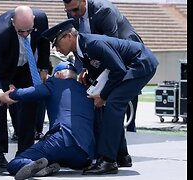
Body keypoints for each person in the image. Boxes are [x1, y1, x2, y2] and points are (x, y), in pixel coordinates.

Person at [41, 19, 159, 175]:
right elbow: (100, 67)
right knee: (111, 106)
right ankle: (121, 155)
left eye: (56, 43)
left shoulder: (93, 44)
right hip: (130, 65)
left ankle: (108, 161)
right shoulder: (81, 48)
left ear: (68, 36)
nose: (56, 48)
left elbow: (118, 70)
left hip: (140, 63)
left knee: (114, 103)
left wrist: (103, 95)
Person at [0, 6, 50, 167]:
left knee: (30, 101)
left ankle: (25, 151)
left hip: (23, 66)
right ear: (13, 22)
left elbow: (44, 41)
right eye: (20, 31)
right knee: (1, 105)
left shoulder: (41, 19)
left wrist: (43, 67)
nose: (25, 35)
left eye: (28, 31)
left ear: (34, 22)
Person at [0, 61, 95, 180]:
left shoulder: (54, 83)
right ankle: (48, 166)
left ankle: (32, 165)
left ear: (59, 74)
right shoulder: (87, 90)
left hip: (61, 139)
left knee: (14, 164)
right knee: (64, 158)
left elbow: (31, 92)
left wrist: (11, 94)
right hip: (84, 152)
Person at [62, 0, 143, 132]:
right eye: (68, 11)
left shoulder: (104, 11)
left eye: (75, 10)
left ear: (84, 1)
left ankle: (129, 127)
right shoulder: (73, 13)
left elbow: (112, 46)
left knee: (124, 84)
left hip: (125, 49)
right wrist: (84, 67)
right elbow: (79, 42)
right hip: (98, 50)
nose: (72, 14)